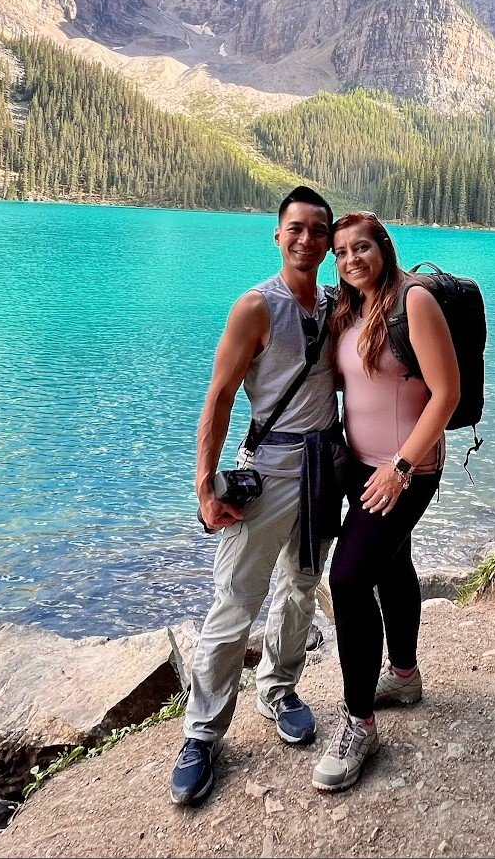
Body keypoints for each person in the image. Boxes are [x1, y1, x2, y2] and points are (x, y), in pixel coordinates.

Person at [171, 187, 344, 807]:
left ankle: (279, 688)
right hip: (268, 470)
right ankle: (201, 732)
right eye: (295, 228)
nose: (306, 240)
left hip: (325, 466)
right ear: (278, 235)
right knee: (235, 602)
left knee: (301, 587)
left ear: (328, 242)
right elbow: (218, 399)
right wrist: (204, 486)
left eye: (318, 231)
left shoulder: (335, 304)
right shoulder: (255, 308)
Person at [312, 212, 459, 794]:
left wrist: (400, 468)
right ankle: (403, 675)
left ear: (384, 248)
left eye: (362, 247)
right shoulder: (350, 310)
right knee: (392, 565)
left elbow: (447, 393)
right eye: (342, 252)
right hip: (360, 469)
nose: (352, 259)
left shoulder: (413, 303)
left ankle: (358, 724)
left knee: (347, 580)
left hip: (406, 469)